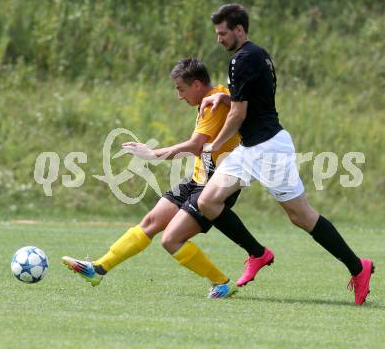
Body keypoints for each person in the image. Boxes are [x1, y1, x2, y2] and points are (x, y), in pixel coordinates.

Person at [196, 4, 374, 305]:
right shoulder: (258, 54)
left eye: (223, 33)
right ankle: (258, 253)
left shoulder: (242, 59)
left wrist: (215, 144)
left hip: (268, 149)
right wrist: (224, 96)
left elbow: (238, 114)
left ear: (239, 30)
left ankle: (359, 268)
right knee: (208, 201)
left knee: (301, 216)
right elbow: (254, 99)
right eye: (217, 34)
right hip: (252, 147)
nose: (219, 39)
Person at [62, 58, 273, 298]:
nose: (179, 96)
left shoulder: (214, 105)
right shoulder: (213, 99)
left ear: (196, 84)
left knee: (171, 240)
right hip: (197, 179)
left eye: (180, 89)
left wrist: (153, 154)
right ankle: (98, 269)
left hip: (216, 185)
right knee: (151, 222)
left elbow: (195, 146)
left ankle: (221, 282)